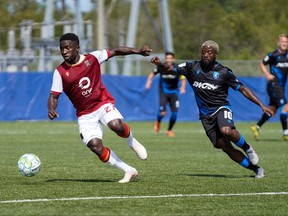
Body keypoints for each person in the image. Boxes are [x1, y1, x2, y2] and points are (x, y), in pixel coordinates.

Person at [151, 40, 274, 178]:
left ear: (216, 54)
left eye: (209, 52)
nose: (206, 55)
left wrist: (261, 105)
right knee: (224, 147)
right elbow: (167, 69)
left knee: (226, 130)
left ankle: (247, 148)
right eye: (203, 52)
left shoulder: (224, 72)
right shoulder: (191, 67)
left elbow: (243, 89)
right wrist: (159, 64)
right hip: (205, 115)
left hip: (221, 108)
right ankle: (255, 169)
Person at [48, 33, 150, 183]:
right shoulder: (60, 72)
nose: (64, 51)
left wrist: (138, 51)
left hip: (102, 103)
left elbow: (115, 51)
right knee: (95, 146)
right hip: (84, 114)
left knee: (116, 125)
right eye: (62, 49)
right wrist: (51, 108)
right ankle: (128, 170)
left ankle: (131, 141)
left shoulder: (93, 58)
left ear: (77, 48)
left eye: (68, 48)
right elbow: (54, 96)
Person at [251, 34, 288, 141]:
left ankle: (256, 127)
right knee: (286, 106)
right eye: (282, 42)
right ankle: (286, 133)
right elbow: (262, 64)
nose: (284, 44)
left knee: (272, 111)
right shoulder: (273, 55)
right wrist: (267, 74)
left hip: (280, 87)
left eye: (286, 42)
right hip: (273, 85)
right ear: (278, 43)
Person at [145, 52, 186, 137]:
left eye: (170, 58)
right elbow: (153, 73)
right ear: (165, 59)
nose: (169, 60)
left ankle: (169, 130)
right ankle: (158, 121)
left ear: (173, 59)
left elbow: (183, 78)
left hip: (174, 93)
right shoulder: (161, 67)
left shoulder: (177, 68)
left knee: (175, 113)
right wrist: (149, 81)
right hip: (163, 92)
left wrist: (183, 87)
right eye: (167, 58)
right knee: (162, 113)